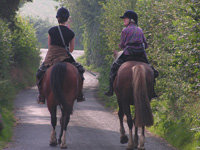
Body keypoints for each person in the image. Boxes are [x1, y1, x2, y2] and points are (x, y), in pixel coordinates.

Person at [36, 7, 85, 104]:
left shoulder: (51, 30)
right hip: (65, 57)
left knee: (39, 74)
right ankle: (79, 94)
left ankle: (41, 96)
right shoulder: (71, 33)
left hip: (51, 57)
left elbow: (50, 46)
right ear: (67, 19)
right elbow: (71, 49)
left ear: (57, 18)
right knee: (80, 72)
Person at [105, 10, 159, 97]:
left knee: (113, 69)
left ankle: (110, 90)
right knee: (153, 71)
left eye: (125, 18)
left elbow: (122, 45)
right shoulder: (140, 30)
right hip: (141, 54)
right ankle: (152, 92)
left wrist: (124, 46)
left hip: (128, 54)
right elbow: (146, 44)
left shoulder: (125, 30)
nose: (124, 20)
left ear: (131, 20)